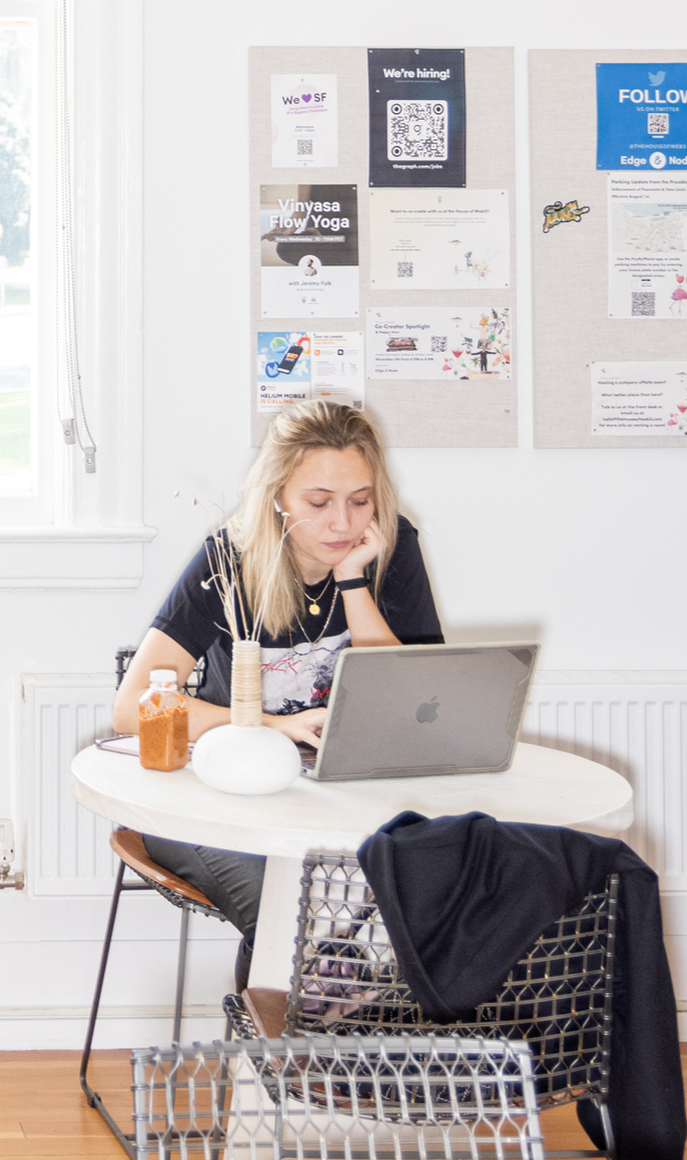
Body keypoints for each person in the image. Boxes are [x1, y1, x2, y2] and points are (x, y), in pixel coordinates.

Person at [113, 400, 444, 989]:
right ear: (278, 497)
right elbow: (132, 706)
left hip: (342, 800)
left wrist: (353, 584)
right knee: (294, 906)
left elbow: (420, 705)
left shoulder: (388, 550)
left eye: (360, 500)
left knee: (445, 879)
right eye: (318, 503)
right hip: (217, 800)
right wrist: (268, 723)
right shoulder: (227, 561)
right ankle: (275, 1070)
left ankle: (366, 1066)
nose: (342, 524)